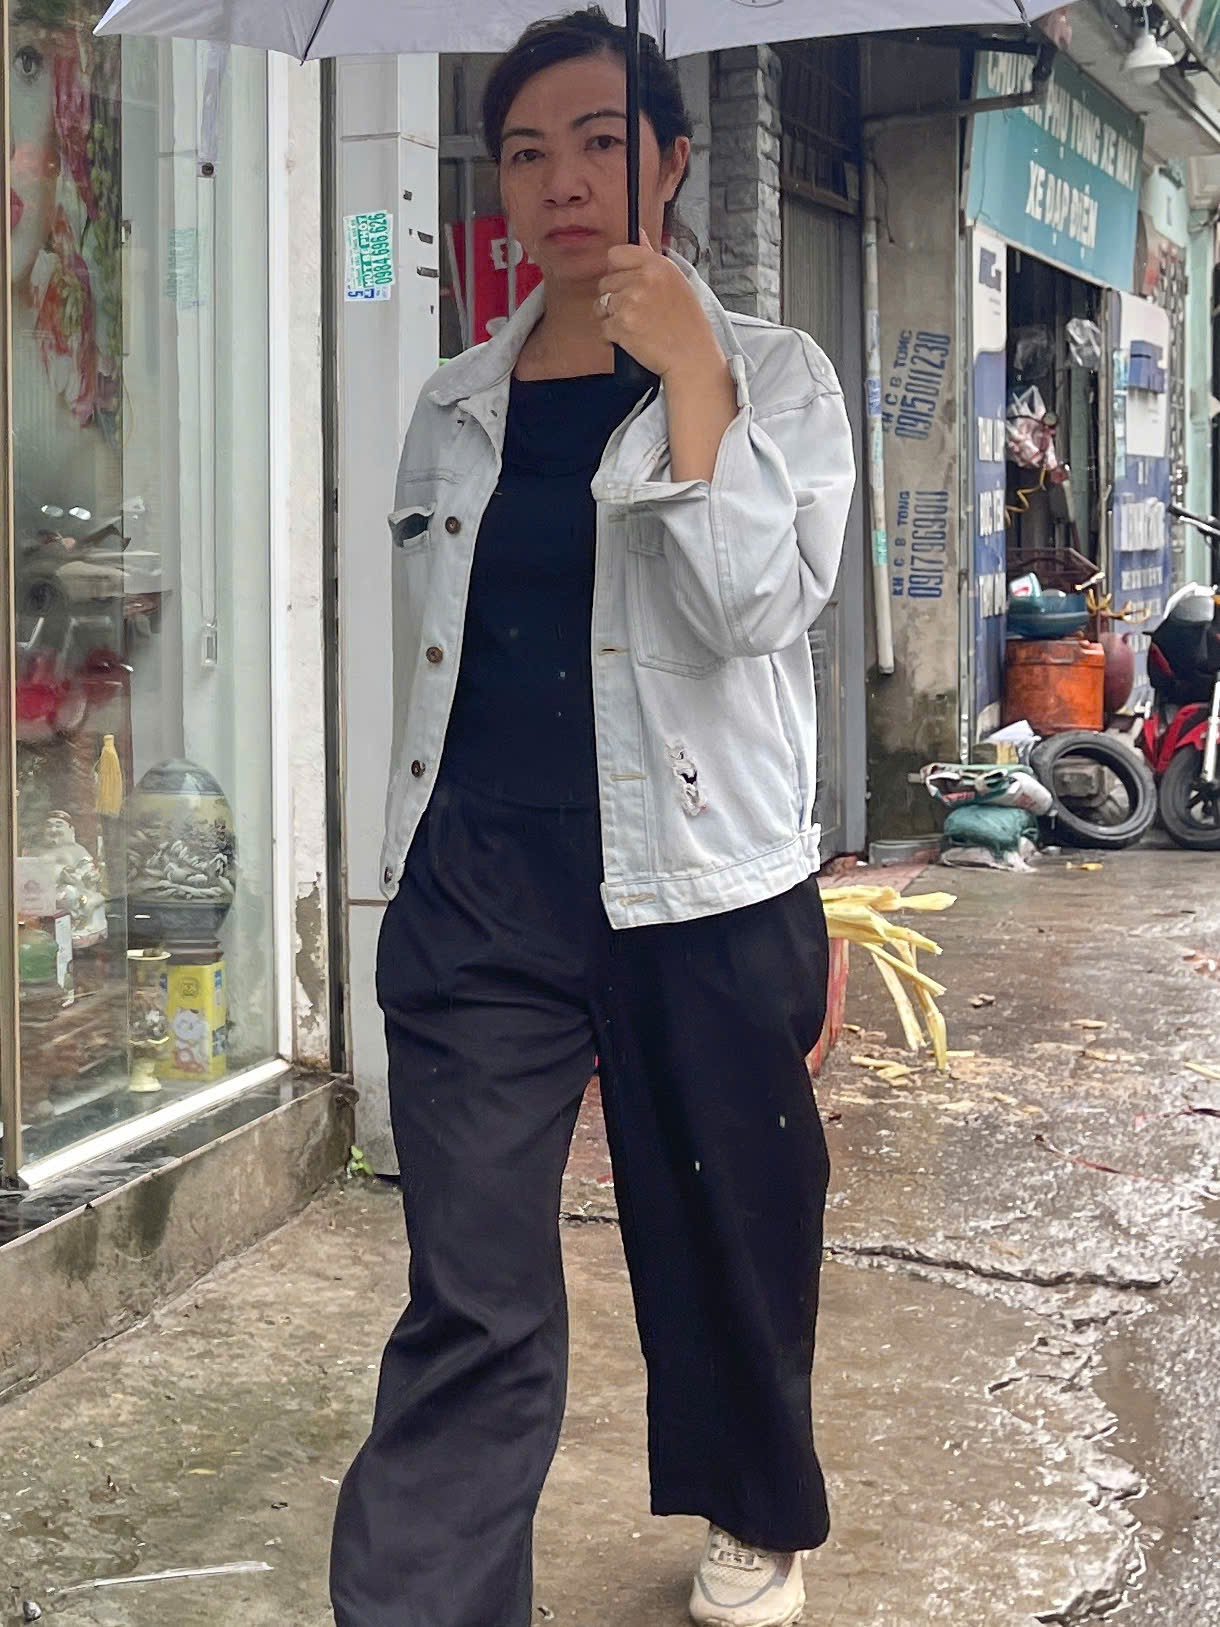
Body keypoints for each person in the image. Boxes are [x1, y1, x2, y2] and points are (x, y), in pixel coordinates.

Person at [330, 11, 855, 1627]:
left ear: (672, 162)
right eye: (526, 151)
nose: (563, 182)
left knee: (728, 1244)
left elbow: (756, 608)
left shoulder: (780, 379)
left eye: (602, 143)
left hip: (701, 887)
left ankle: (754, 1511)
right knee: (471, 1295)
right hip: (482, 892)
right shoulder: (454, 405)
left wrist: (693, 373)